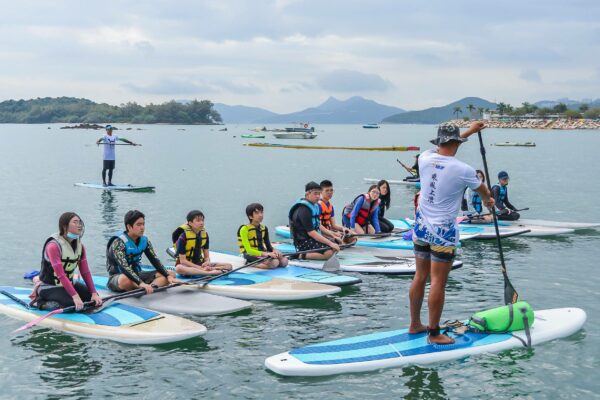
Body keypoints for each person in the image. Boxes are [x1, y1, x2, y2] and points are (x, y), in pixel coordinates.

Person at [409, 122, 494, 345]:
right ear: (457, 143)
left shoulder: (424, 159)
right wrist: (488, 200)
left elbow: (445, 147)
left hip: (420, 228)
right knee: (438, 282)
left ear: (438, 142)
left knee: (420, 276)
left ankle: (415, 324)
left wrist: (468, 132)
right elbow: (483, 190)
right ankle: (434, 333)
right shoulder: (463, 169)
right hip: (443, 234)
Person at [30, 212, 102, 310]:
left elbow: (85, 272)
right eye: (75, 222)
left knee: (92, 300)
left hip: (69, 284)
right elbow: (61, 275)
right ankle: (40, 301)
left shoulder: (80, 246)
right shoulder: (53, 246)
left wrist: (94, 293)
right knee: (72, 305)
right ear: (64, 226)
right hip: (49, 286)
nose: (79, 225)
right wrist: (75, 296)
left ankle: (73, 297)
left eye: (79, 222)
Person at [106, 210, 177, 293]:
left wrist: (168, 276)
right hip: (118, 277)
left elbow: (155, 260)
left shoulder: (144, 241)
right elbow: (124, 267)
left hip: (137, 274)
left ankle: (149, 288)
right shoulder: (118, 242)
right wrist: (140, 282)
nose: (142, 227)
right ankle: (143, 287)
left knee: (171, 274)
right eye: (138, 225)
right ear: (129, 227)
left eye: (143, 224)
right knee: (124, 280)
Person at [288, 181, 340, 260]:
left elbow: (318, 225)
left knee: (337, 244)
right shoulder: (304, 209)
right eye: (315, 194)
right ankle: (298, 255)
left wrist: (333, 235)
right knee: (330, 252)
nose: (318, 196)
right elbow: (311, 233)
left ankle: (314, 254)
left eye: (319, 194)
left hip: (312, 239)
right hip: (303, 242)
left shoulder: (314, 206)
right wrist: (330, 243)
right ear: (307, 194)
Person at [172, 210, 232, 276]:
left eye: (202, 220)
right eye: (198, 220)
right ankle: (209, 273)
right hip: (186, 265)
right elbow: (183, 261)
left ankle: (211, 270)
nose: (201, 223)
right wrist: (200, 268)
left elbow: (206, 257)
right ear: (190, 223)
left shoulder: (205, 235)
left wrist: (207, 263)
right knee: (179, 268)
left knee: (229, 265)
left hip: (200, 264)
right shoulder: (183, 237)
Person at [237, 203, 288, 269]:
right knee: (274, 263)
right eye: (257, 213)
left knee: (284, 262)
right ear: (250, 216)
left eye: (261, 212)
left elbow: (269, 246)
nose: (260, 215)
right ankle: (250, 263)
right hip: (249, 254)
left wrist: (275, 250)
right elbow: (248, 250)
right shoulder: (244, 229)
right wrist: (267, 254)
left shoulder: (264, 228)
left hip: (262, 253)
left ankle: (263, 262)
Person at [318, 180, 357, 245]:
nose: (330, 193)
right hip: (320, 233)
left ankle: (340, 242)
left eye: (331, 190)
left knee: (353, 237)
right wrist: (333, 234)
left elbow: (334, 225)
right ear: (321, 192)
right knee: (341, 241)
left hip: (328, 231)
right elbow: (318, 226)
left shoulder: (330, 206)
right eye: (327, 191)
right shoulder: (318, 206)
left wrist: (343, 229)